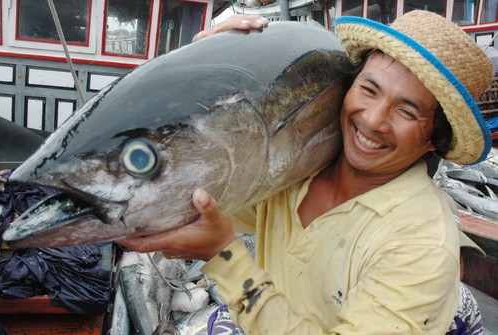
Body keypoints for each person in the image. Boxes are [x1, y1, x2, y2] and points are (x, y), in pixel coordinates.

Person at [118, 10, 494, 334]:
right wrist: (203, 66)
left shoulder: (420, 245)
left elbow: (221, 243)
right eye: (369, 89)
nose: (373, 120)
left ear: (434, 140)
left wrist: (224, 257)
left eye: (407, 112)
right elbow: (204, 200)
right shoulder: (300, 167)